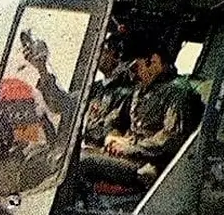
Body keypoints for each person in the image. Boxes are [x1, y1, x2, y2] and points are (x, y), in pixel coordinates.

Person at [81, 37, 205, 191]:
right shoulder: (141, 89)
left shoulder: (178, 93)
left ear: (153, 60)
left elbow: (170, 140)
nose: (132, 76)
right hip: (129, 155)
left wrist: (129, 148)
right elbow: (115, 119)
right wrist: (112, 136)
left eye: (135, 68)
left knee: (83, 162)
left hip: (149, 165)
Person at [81, 26, 133, 149]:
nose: (98, 54)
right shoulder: (95, 88)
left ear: (117, 56)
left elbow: (113, 128)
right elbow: (67, 102)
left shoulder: (127, 93)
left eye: (104, 50)